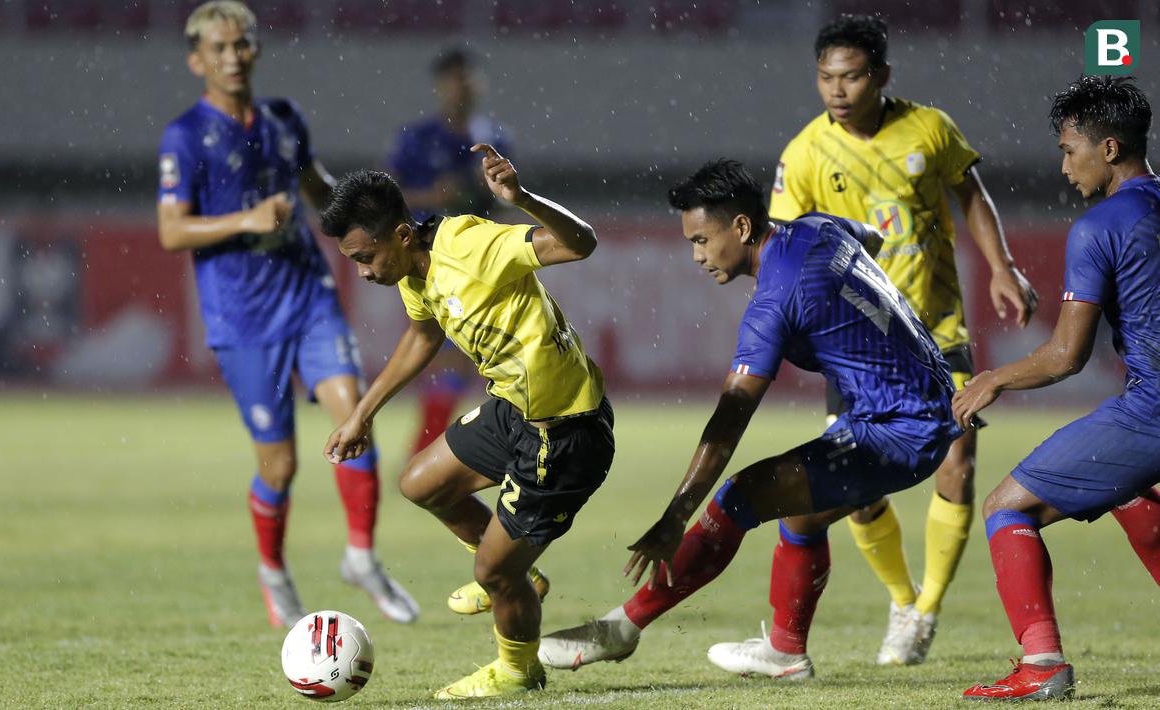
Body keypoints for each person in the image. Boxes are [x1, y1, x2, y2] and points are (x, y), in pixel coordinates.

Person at [538, 159, 962, 681]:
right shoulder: (816, 228)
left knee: (742, 495)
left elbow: (730, 419)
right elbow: (871, 239)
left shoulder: (774, 302)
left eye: (701, 240)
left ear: (741, 227)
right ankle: (785, 652)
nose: (696, 255)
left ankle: (620, 629)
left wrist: (677, 515)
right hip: (921, 403)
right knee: (801, 512)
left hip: (900, 428)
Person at [768, 15, 1038, 665]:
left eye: (851, 76)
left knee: (957, 463)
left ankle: (926, 610)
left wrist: (1001, 267)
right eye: (825, 78)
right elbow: (783, 247)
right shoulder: (803, 154)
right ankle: (900, 599)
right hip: (855, 344)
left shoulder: (929, 129)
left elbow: (970, 194)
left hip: (935, 330)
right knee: (857, 493)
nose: (837, 90)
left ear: (882, 75)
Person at [155, 0, 417, 628]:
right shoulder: (185, 136)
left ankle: (360, 557)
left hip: (308, 296)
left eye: (242, 43)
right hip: (243, 318)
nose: (234, 56)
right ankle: (273, 571)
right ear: (197, 61)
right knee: (281, 465)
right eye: (219, 48)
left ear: (256, 48)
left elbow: (320, 192)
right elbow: (171, 231)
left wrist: (371, 208)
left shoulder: (282, 118)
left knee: (355, 417)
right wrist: (247, 219)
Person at [319, 145, 614, 699]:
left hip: (564, 432)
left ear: (401, 235)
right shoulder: (414, 273)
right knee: (420, 483)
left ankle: (518, 669)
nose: (362, 272)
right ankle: (517, 574)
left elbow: (582, 243)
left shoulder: (468, 244)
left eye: (366, 257)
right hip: (513, 411)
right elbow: (423, 334)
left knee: (493, 574)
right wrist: (362, 414)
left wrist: (521, 198)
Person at [955, 76, 1160, 702]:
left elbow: (1066, 356)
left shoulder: (1100, 227)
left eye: (1071, 150)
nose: (1064, 166)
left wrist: (993, 378)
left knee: (1006, 507)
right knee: (1130, 489)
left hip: (1152, 411)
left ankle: (1041, 662)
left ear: (1110, 148)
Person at [389, 47, 513, 458]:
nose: (462, 87)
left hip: (476, 260)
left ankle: (426, 452)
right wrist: (432, 195)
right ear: (439, 86)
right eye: (454, 79)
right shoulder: (416, 139)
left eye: (468, 79)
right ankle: (426, 452)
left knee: (460, 357)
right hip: (427, 261)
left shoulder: (495, 139)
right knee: (448, 354)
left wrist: (490, 194)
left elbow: (506, 199)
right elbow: (386, 196)